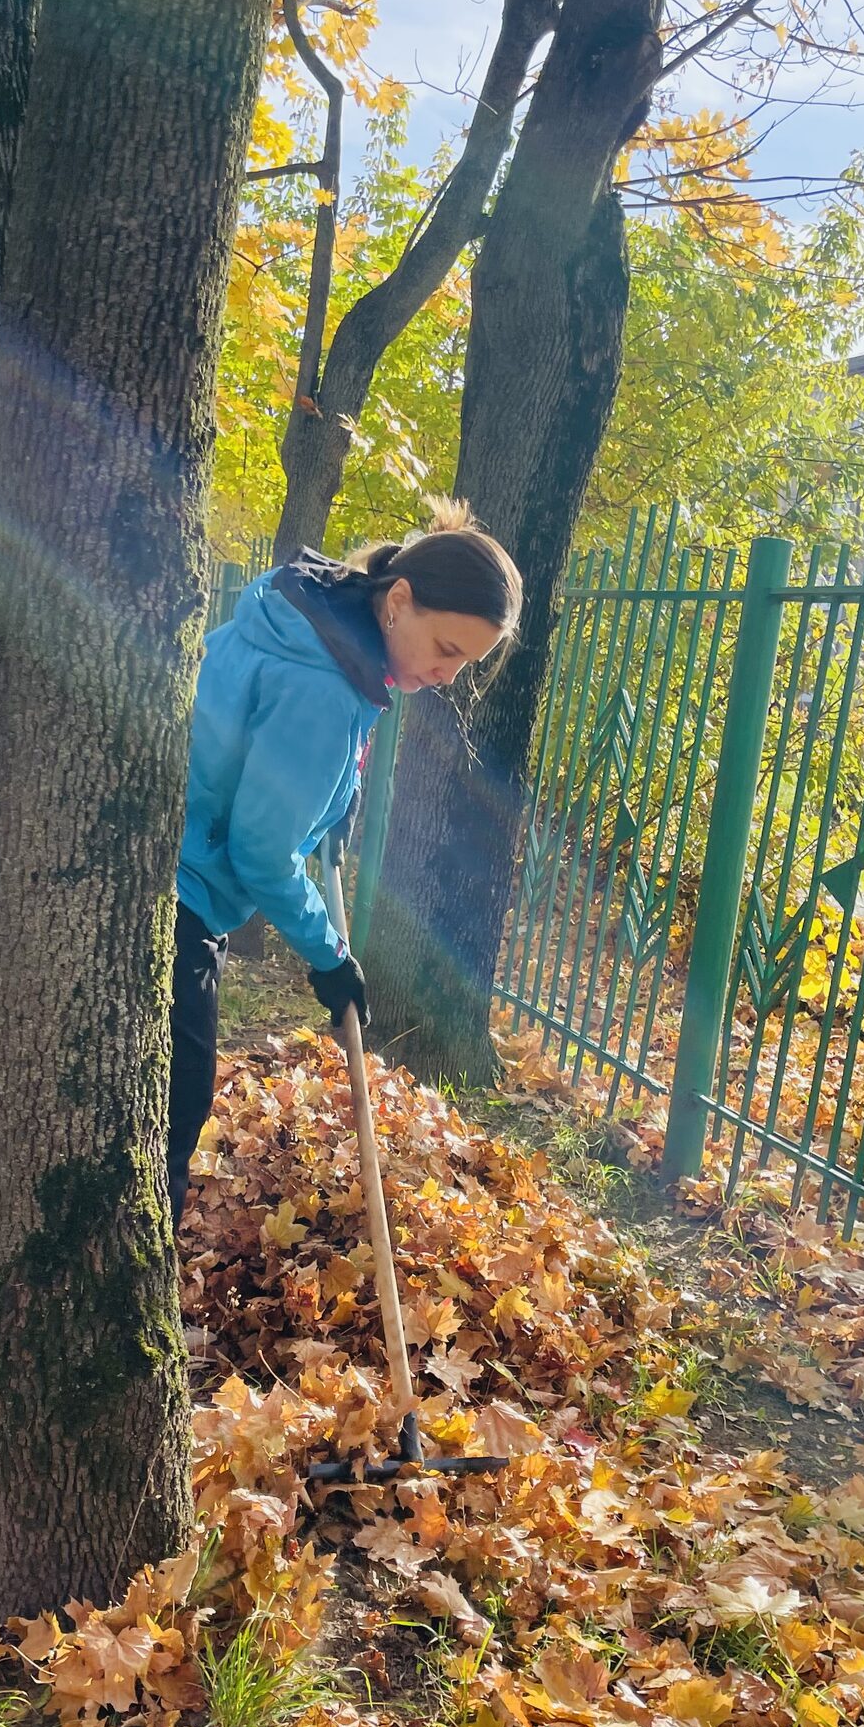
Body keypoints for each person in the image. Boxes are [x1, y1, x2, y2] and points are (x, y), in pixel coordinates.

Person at [168, 503, 522, 1229]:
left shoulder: (307, 625)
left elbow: (257, 752)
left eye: (466, 663)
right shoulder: (326, 685)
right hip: (182, 896)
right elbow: (261, 852)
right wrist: (329, 957)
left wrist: (334, 806)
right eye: (447, 648)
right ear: (399, 601)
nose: (449, 675)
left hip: (170, 866)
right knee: (172, 1110)